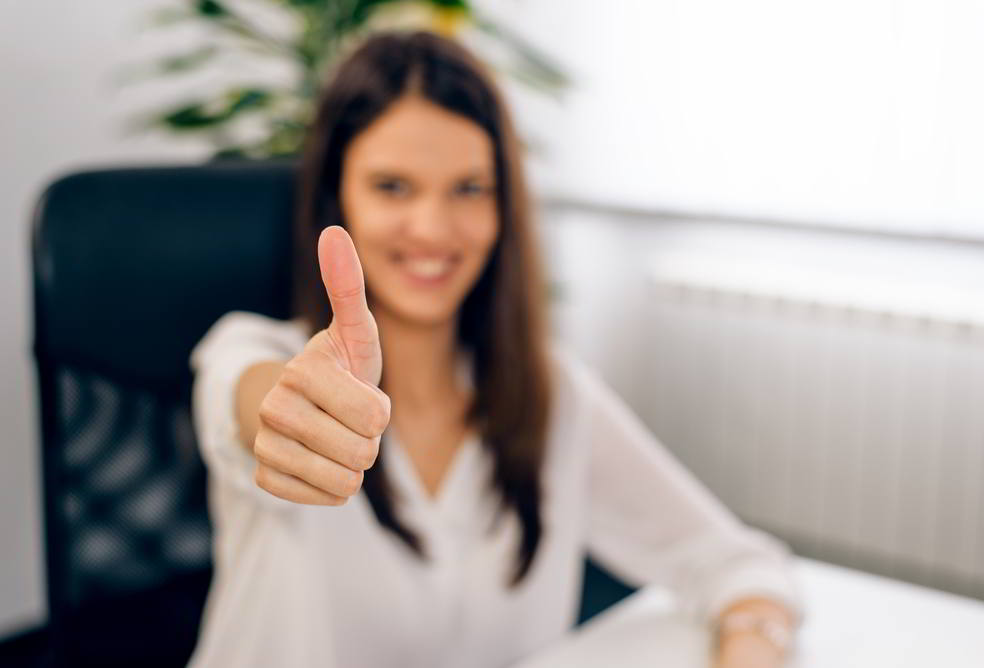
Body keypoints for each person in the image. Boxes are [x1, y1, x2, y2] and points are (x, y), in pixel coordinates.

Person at [186, 30, 802, 668]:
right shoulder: (250, 351)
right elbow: (255, 405)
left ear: (504, 206)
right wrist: (291, 415)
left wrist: (754, 641)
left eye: (469, 189)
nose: (432, 228)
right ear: (336, 196)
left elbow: (738, 564)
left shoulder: (552, 395)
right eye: (392, 187)